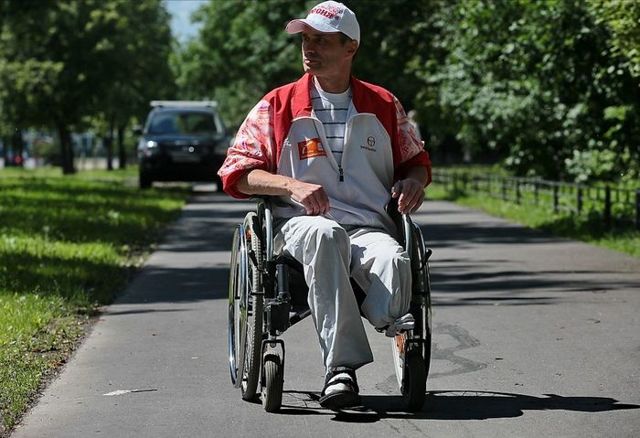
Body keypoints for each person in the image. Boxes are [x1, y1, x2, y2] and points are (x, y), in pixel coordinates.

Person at [218, 0, 431, 410]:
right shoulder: (277, 105)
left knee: (395, 259)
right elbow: (238, 172)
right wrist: (289, 185)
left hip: (369, 228)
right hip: (301, 226)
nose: (308, 47)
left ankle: (390, 320)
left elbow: (416, 163)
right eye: (305, 39)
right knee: (325, 232)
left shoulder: (384, 105)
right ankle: (341, 369)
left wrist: (411, 181)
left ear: (350, 48)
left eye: (321, 40)